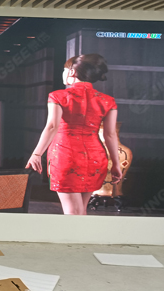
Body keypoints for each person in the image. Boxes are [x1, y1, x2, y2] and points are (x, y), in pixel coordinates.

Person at [26, 54, 123, 215]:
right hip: (95, 158)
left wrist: (36, 154)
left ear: (72, 72)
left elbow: (52, 126)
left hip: (66, 156)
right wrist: (116, 164)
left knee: (72, 213)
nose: (63, 73)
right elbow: (110, 135)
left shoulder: (58, 96)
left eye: (64, 70)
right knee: (80, 211)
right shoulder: (107, 100)